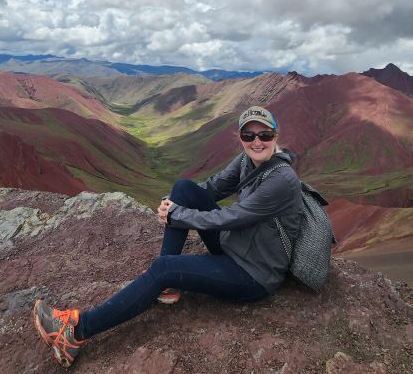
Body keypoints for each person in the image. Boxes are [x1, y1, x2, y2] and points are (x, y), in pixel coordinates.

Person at [33, 105, 302, 368]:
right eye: (249, 135)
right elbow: (211, 189)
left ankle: (75, 333)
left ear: (275, 137)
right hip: (235, 245)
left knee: (164, 268)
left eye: (265, 135)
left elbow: (232, 218)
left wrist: (178, 215)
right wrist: (173, 203)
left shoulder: (282, 180)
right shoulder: (246, 160)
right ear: (241, 138)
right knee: (183, 188)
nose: (257, 142)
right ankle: (168, 285)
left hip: (252, 272)